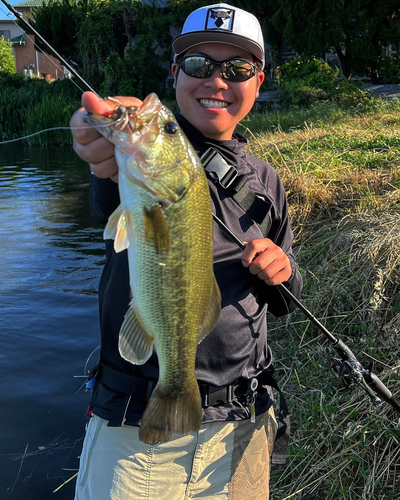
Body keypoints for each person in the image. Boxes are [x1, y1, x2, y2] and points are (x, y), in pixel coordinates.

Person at [71, 3, 302, 499]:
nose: (216, 82)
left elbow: (287, 293)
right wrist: (103, 148)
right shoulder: (138, 157)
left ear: (257, 83)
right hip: (136, 427)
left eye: (237, 69)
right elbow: (108, 186)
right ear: (175, 75)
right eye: (199, 65)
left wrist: (285, 272)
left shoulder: (265, 180)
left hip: (242, 423)